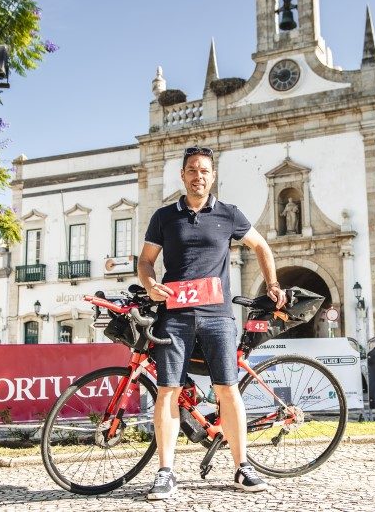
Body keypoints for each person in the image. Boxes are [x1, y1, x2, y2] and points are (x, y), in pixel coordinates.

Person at [137, 146, 287, 500]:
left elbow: (262, 247)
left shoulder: (229, 214)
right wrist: (149, 283)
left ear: (212, 175)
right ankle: (165, 472)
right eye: (191, 169)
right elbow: (145, 261)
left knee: (227, 389)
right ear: (183, 175)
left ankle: (242, 466)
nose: (197, 175)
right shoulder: (163, 217)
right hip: (174, 315)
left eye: (204, 170)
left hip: (218, 315)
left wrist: (273, 283)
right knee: (168, 391)